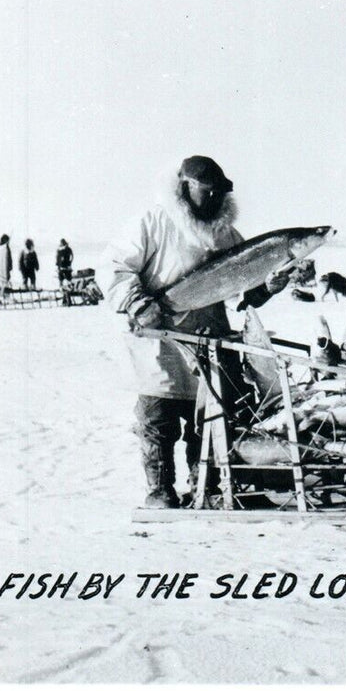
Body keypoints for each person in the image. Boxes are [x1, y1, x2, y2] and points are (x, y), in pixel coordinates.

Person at [107, 156, 285, 509]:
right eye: (207, 190)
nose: (214, 197)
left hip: (209, 339)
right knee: (158, 417)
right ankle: (160, 490)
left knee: (210, 418)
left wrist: (268, 286)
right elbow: (115, 266)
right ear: (185, 187)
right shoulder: (152, 223)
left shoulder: (226, 234)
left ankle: (205, 485)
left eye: (220, 191)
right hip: (159, 339)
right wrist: (137, 303)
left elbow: (242, 292)